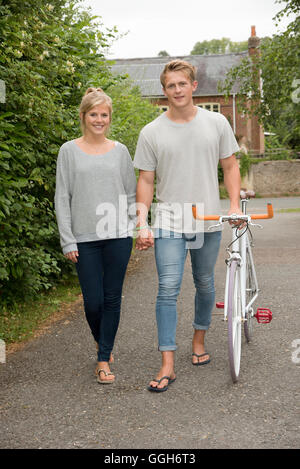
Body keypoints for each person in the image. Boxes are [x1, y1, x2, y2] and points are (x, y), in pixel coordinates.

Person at [133, 60, 242, 392]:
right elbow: (146, 180)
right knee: (167, 288)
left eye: (182, 84)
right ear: (163, 90)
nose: (177, 90)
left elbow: (231, 166)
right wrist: (142, 222)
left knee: (205, 283)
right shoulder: (151, 132)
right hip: (168, 220)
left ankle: (199, 338)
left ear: (194, 86)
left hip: (207, 220)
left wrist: (234, 206)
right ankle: (167, 363)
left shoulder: (217, 122)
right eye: (170, 85)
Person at [55, 87, 136, 384]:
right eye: (93, 114)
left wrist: (134, 226)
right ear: (83, 116)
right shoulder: (68, 151)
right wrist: (68, 239)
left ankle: (103, 358)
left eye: (104, 115)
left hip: (117, 235)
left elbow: (130, 193)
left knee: (112, 298)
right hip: (84, 237)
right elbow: (62, 197)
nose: (99, 120)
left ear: (109, 118)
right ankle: (102, 339)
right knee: (93, 302)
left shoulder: (120, 151)